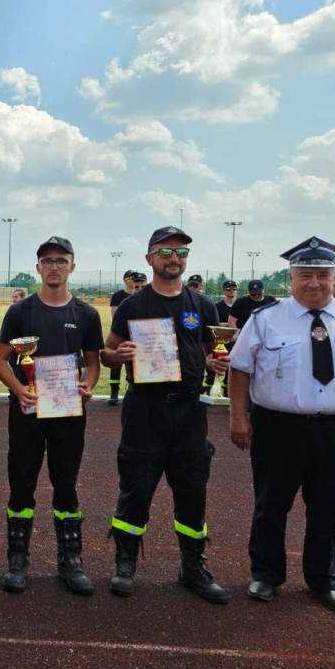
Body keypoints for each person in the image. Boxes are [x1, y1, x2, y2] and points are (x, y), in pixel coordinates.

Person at [228, 237, 335, 613]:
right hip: (277, 428)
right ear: (290, 278)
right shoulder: (265, 318)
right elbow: (239, 369)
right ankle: (267, 575)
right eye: (305, 275)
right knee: (271, 505)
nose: (313, 283)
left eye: (322, 275)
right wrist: (237, 418)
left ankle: (322, 581)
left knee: (328, 510)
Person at [100, 225, 230, 603]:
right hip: (145, 410)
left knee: (192, 490)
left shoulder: (202, 305)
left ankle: (192, 566)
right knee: (136, 486)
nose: (174, 259)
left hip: (189, 411)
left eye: (181, 253)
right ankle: (125, 563)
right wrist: (117, 356)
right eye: (165, 252)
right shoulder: (132, 305)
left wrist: (214, 363)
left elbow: (208, 349)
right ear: (149, 258)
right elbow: (106, 351)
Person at [0, 236, 103, 595]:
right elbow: (0, 360)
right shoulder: (20, 312)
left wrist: (86, 386)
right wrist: (17, 387)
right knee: (22, 484)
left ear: (72, 266)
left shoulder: (86, 313)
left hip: (68, 414)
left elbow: (93, 363)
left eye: (61, 260)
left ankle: (70, 561)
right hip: (27, 413)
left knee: (66, 485)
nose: (54, 266)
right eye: (47, 260)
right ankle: (17, 559)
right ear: (38, 267)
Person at [203, 279, 239, 396]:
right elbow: (215, 324)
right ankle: (206, 392)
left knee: (231, 366)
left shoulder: (240, 305)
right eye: (228, 289)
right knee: (213, 365)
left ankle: (227, 393)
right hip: (218, 340)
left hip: (234, 341)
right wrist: (230, 324)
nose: (231, 291)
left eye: (234, 288)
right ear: (224, 291)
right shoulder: (217, 306)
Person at [107, 270, 137, 405]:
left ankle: (132, 391)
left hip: (136, 336)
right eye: (132, 278)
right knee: (116, 364)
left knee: (133, 366)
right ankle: (114, 392)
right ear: (126, 280)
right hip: (121, 334)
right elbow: (115, 317)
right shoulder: (118, 296)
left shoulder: (141, 296)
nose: (135, 280)